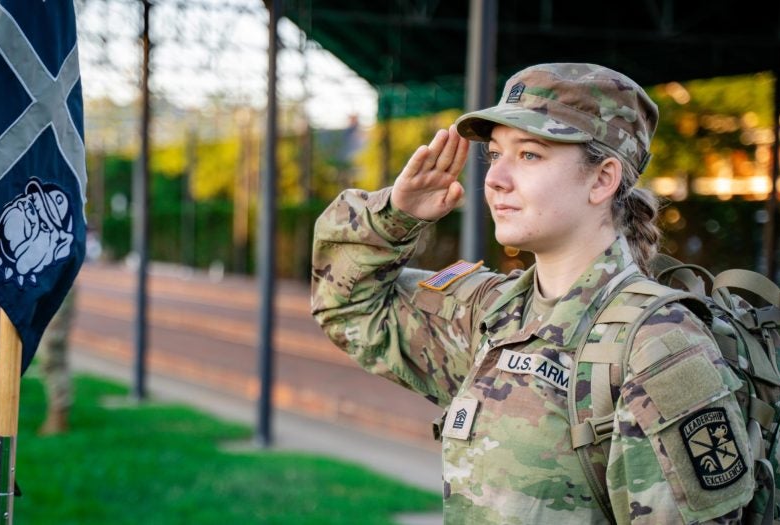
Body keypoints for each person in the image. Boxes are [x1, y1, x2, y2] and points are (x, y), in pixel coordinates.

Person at [311, 63, 754, 523]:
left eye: (529, 155)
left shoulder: (657, 346)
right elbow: (348, 304)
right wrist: (395, 216)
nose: (495, 178)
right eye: (496, 154)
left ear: (603, 179)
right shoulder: (492, 313)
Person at [38, 287, 76, 435]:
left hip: (56, 279)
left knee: (52, 351)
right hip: (38, 280)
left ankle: (59, 414)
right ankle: (58, 411)